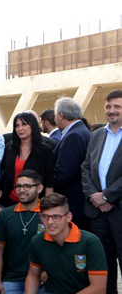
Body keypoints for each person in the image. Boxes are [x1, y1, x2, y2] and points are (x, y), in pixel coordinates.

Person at [82, 89, 122, 294]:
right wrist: (94, 196)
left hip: (119, 209)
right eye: (108, 107)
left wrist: (107, 196)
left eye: (117, 106)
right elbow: (86, 168)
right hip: (97, 212)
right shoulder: (96, 136)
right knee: (103, 264)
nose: (112, 111)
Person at [0, 169, 45, 294]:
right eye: (18, 186)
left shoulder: (49, 214)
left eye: (27, 186)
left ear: (40, 188)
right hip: (12, 278)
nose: (21, 190)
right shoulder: (6, 214)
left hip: (40, 279)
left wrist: (48, 273)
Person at [0, 112, 55, 207]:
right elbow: (3, 172)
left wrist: (47, 204)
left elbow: (49, 179)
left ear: (33, 126)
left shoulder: (45, 150)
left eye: (24, 124)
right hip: (9, 201)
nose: (20, 128)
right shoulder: (10, 147)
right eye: (17, 125)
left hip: (35, 203)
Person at [53, 97, 91, 230]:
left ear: (60, 115)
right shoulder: (81, 131)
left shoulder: (74, 135)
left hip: (74, 202)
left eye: (55, 115)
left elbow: (64, 173)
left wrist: (47, 182)